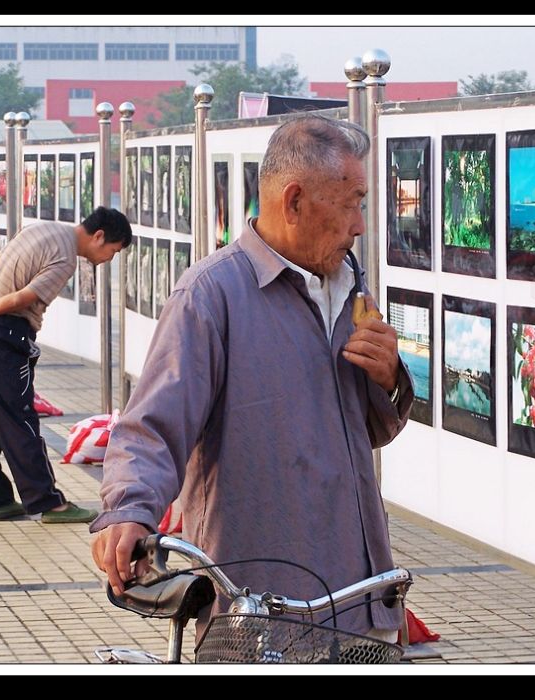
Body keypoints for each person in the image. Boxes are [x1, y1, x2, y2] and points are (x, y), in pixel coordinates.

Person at [90, 114, 414, 642]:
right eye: (351, 202)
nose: (360, 224)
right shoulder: (210, 295)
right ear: (293, 202)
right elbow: (152, 424)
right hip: (257, 606)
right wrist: (128, 510)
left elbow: (368, 429)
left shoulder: (351, 285)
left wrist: (389, 379)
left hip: (360, 599)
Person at [0, 206, 132, 523]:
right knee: (19, 419)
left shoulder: (41, 229)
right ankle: (49, 503)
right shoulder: (64, 257)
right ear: (99, 236)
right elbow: (26, 296)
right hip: (3, 335)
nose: (109, 259)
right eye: (113, 251)